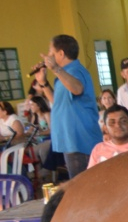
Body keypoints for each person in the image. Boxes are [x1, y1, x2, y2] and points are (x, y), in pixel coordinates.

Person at [32, 34, 103, 177]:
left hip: (79, 140)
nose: (48, 56)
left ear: (61, 53)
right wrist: (43, 83)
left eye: (50, 52)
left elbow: (77, 89)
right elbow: (57, 101)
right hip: (69, 139)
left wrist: (56, 69)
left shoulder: (74, 71)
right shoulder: (64, 74)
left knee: (83, 186)